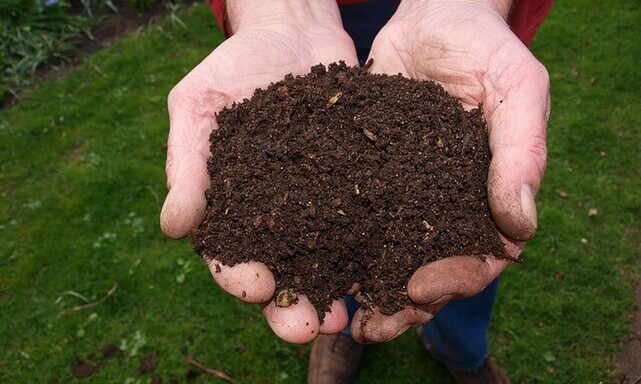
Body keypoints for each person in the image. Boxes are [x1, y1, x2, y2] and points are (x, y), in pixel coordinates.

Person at [160, 1, 552, 383]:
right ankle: (340, 331)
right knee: (337, 260)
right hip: (321, 17)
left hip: (450, 19)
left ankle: (461, 350)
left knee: (471, 244)